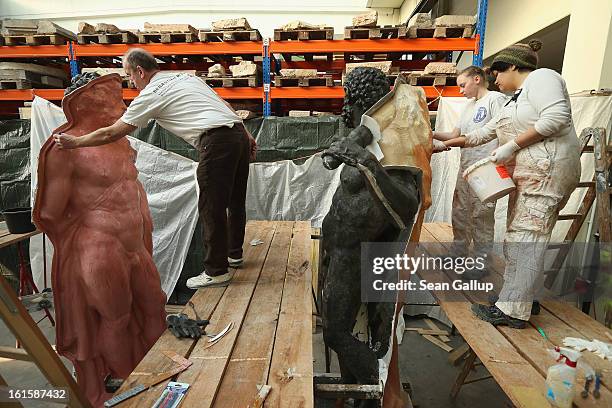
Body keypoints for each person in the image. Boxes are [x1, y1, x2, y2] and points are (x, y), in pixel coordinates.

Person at [54, 48, 257, 289]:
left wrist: (75, 142)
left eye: (130, 75)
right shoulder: (186, 77)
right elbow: (221, 104)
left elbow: (113, 132)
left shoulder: (151, 94)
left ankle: (217, 271)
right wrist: (246, 134)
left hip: (215, 141)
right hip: (236, 134)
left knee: (211, 206)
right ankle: (234, 255)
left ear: (140, 71)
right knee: (234, 201)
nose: (131, 82)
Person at [34, 74, 167, 406]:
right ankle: (129, 387)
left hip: (134, 243)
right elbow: (50, 212)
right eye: (114, 99)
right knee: (116, 318)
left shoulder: (118, 140)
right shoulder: (64, 147)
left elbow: (133, 189)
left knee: (154, 304)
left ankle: (159, 373)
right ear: (84, 103)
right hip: (100, 245)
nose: (123, 105)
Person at [444, 40, 581, 328]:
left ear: (515, 67)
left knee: (527, 236)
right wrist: (438, 144)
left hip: (547, 173)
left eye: (498, 74)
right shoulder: (514, 101)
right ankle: (520, 296)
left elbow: (557, 118)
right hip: (528, 176)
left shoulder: (543, 77)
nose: (496, 80)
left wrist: (511, 146)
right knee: (517, 235)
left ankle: (512, 311)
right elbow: (481, 134)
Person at [433, 66, 507, 274]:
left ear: (477, 79)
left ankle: (481, 264)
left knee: (481, 216)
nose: (460, 90)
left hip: (487, 168)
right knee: (460, 212)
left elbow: (500, 132)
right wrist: (431, 134)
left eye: (462, 85)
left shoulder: (495, 100)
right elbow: (454, 134)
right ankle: (457, 254)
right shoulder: (467, 107)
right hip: (465, 168)